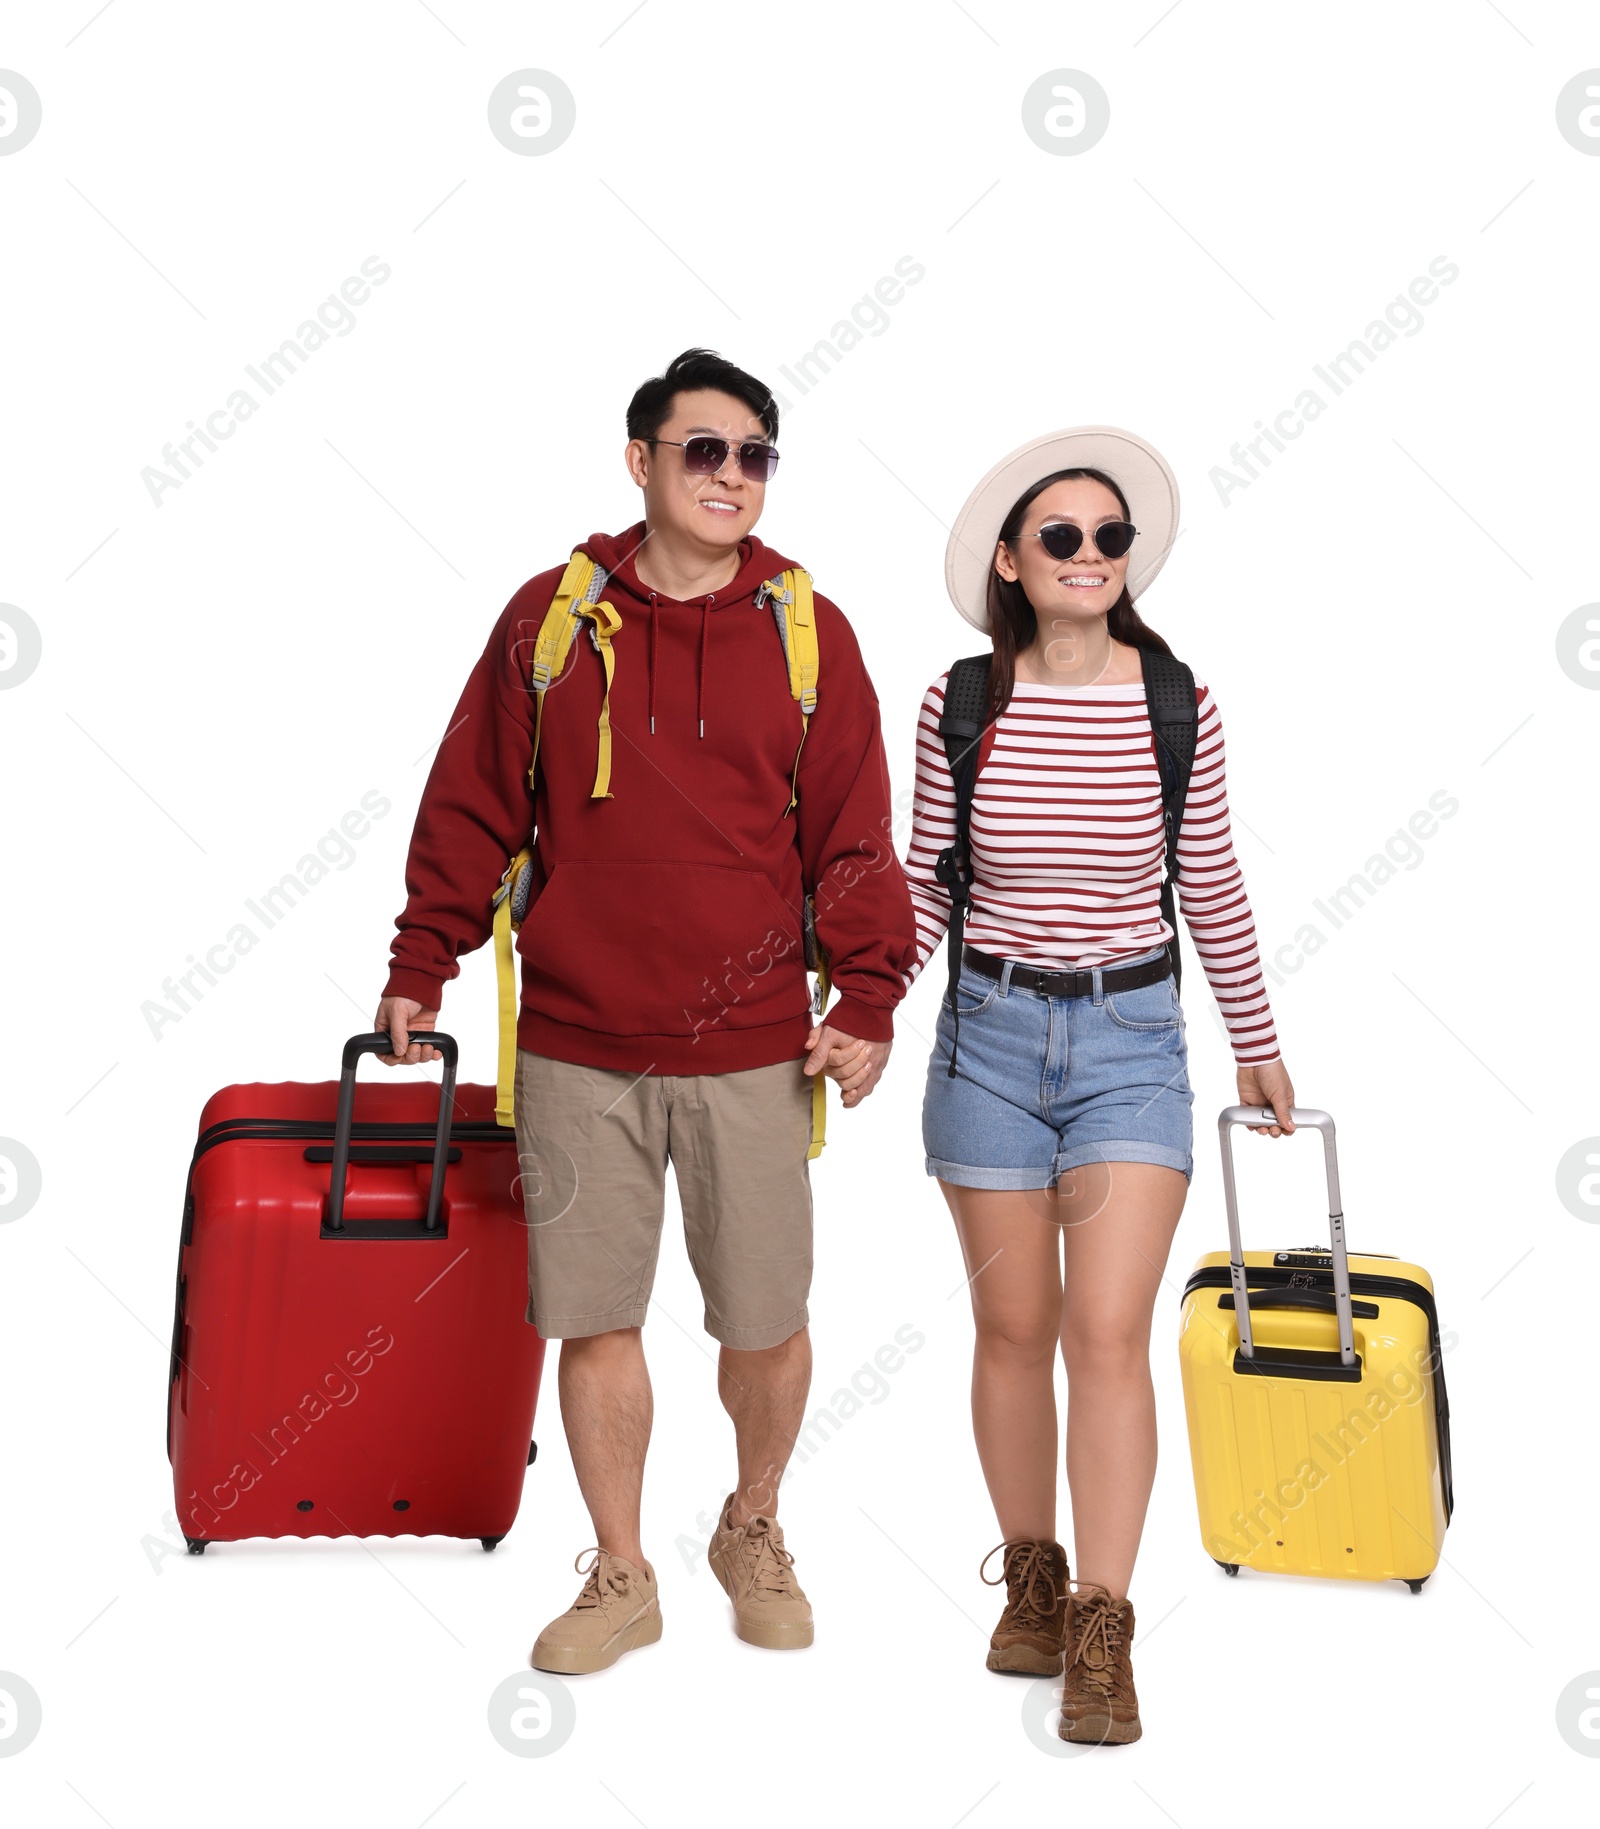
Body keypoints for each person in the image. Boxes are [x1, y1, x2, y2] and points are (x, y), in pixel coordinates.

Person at [373, 349, 916, 1672]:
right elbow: (471, 806)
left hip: (751, 1046)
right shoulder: (549, 620)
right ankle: (622, 1570)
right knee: (596, 1320)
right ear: (644, 462)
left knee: (766, 1326)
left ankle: (752, 1519)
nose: (733, 476)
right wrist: (418, 960)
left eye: (755, 456)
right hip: (575, 1041)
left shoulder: (810, 629)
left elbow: (851, 837)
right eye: (705, 450)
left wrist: (870, 993)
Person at [902, 427, 1294, 1744]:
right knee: (1013, 1328)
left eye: (1109, 537)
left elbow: (1215, 884)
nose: (1087, 556)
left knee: (1106, 1330)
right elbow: (918, 888)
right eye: (1059, 536)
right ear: (1014, 559)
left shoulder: (1177, 703)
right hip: (988, 1041)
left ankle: (1105, 1627)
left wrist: (1256, 1035)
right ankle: (1031, 1577)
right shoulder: (961, 703)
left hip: (1131, 1040)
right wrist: (854, 1017)